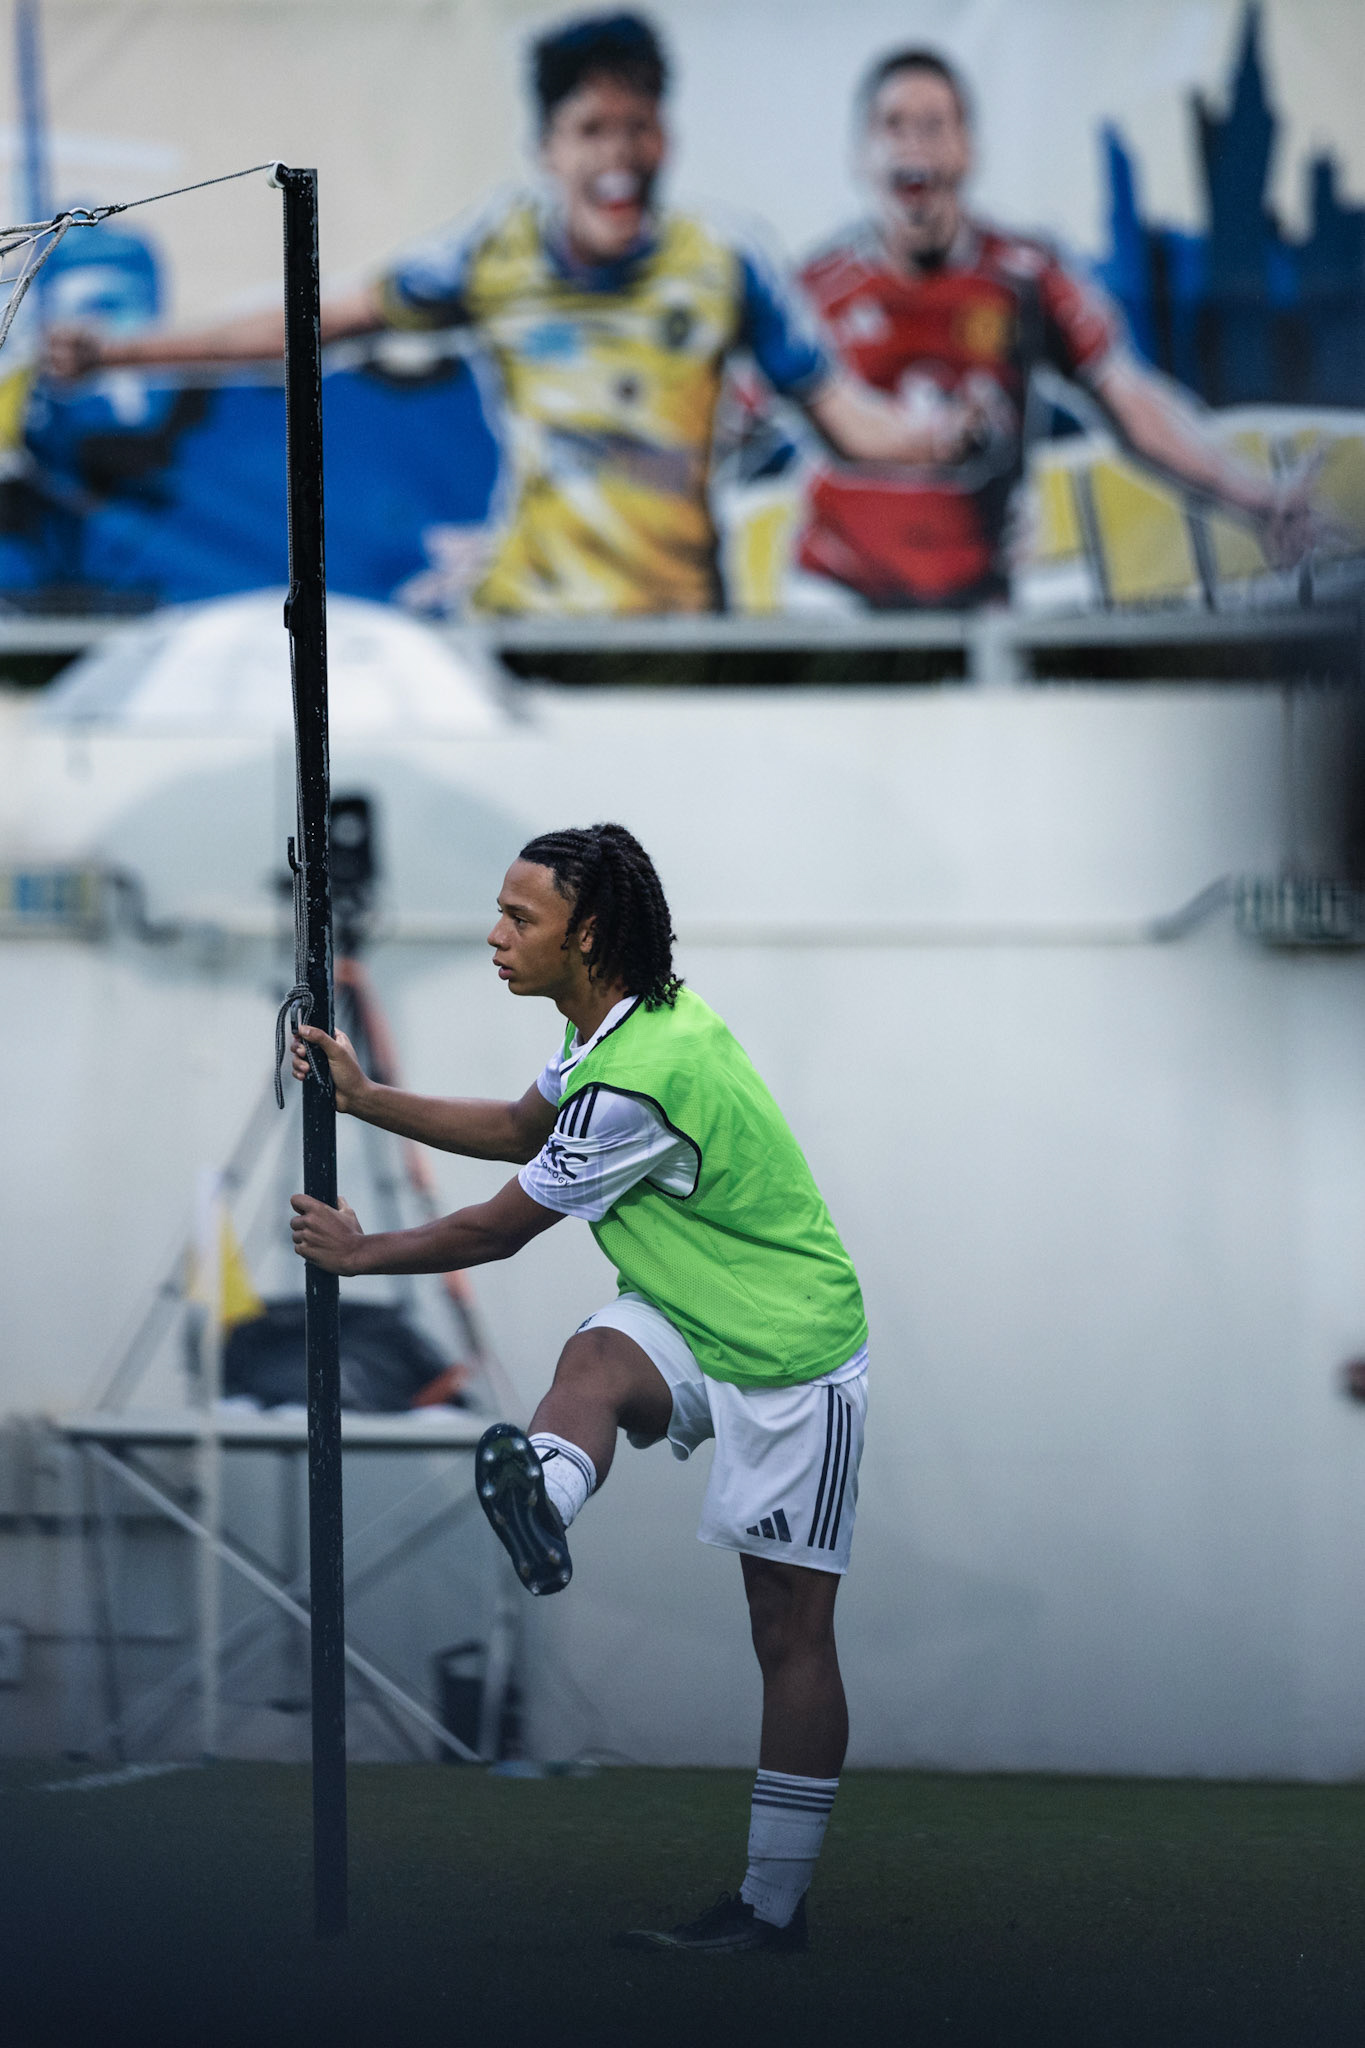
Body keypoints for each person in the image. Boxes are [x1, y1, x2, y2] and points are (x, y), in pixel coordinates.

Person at [288, 822, 868, 1954]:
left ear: (587, 933)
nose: (495, 936)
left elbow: (498, 1229)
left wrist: (360, 1255)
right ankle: (545, 1498)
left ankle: (773, 1908)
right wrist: (364, 1097)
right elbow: (516, 1127)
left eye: (521, 919)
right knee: (592, 1359)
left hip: (793, 1348)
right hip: (681, 1303)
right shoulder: (608, 1026)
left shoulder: (638, 1081)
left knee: (789, 1630)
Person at [47, 13, 979, 616]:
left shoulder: (725, 264)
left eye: (638, 125)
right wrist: (124, 352)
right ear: (545, 148)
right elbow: (319, 322)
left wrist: (937, 441)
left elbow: (847, 421)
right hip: (528, 634)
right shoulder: (496, 254)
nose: (621, 154)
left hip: (677, 635)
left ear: (667, 135)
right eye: (592, 130)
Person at [795, 46, 1316, 609]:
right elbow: (731, 413)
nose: (913, 145)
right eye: (893, 126)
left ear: (967, 150)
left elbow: (1132, 405)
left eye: (933, 126)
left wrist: (1260, 499)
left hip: (977, 600)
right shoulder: (811, 292)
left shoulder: (1026, 276)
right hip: (838, 598)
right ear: (858, 154)